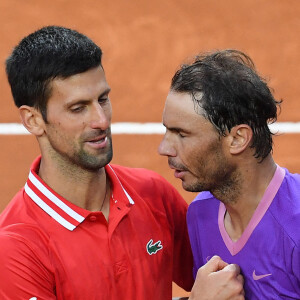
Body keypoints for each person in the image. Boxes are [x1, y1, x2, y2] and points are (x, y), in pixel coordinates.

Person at [0, 26, 244, 300]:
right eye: (78, 108)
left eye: (103, 99)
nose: (101, 121)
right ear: (33, 120)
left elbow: (225, 278)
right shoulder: (15, 247)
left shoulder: (152, 193)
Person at [158, 49, 300, 299]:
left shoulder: (295, 225)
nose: (164, 148)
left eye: (181, 134)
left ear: (237, 139)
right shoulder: (201, 213)